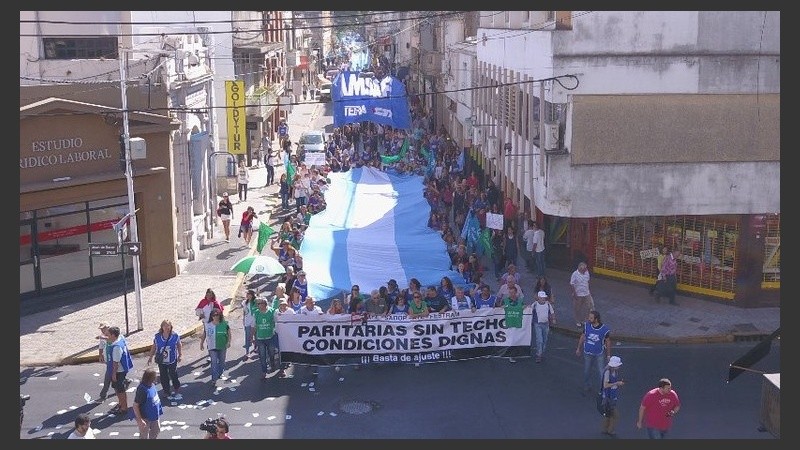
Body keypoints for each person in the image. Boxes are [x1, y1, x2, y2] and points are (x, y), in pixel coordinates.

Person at [576, 310, 611, 394]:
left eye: (591, 318)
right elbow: (583, 336)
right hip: (587, 352)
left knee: (601, 372)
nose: (589, 319)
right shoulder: (586, 326)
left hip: (599, 353)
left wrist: (608, 355)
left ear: (596, 319)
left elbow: (608, 342)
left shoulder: (604, 330)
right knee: (586, 370)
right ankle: (587, 385)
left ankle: (603, 389)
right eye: (589, 317)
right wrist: (578, 348)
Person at [146, 319, 182, 401]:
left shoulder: (175, 336)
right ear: (162, 327)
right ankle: (166, 391)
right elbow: (154, 347)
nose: (166, 327)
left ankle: (176, 388)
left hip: (172, 360)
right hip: (162, 361)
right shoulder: (157, 337)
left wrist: (180, 354)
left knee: (173, 374)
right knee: (163, 376)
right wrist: (150, 357)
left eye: (168, 325)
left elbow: (179, 344)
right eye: (165, 326)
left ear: (171, 326)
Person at [252, 294, 282, 379]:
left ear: (264, 304)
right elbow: (254, 326)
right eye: (257, 304)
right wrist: (252, 337)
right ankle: (264, 371)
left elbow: (277, 323)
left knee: (271, 354)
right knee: (262, 355)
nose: (258, 306)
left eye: (259, 304)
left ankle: (272, 364)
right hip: (260, 338)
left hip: (270, 337)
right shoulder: (256, 313)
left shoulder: (272, 312)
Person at [200, 308, 232, 384]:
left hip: (222, 346)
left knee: (222, 362)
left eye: (217, 315)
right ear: (211, 316)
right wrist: (201, 343)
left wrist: (228, 342)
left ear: (220, 315)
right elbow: (204, 334)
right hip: (212, 347)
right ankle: (214, 379)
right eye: (214, 315)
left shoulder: (225, 324)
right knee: (214, 362)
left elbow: (229, 333)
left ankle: (220, 373)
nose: (216, 316)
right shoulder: (208, 325)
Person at [132, 367, 163, 439]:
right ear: (151, 378)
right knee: (144, 436)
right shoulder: (142, 390)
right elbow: (135, 405)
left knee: (156, 431)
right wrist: (140, 420)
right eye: (155, 376)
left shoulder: (152, 385)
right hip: (145, 418)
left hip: (154, 416)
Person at [600, 356, 625, 437]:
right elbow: (605, 385)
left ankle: (605, 429)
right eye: (618, 365)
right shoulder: (608, 372)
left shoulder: (614, 371)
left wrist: (617, 384)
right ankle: (610, 430)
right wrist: (617, 383)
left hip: (612, 396)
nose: (619, 366)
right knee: (615, 415)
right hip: (608, 397)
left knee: (608, 414)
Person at [531, 291, 555, 363]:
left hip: (546, 324)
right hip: (537, 324)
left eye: (544, 297)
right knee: (540, 340)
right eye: (542, 298)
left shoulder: (548, 304)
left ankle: (541, 351)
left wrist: (553, 319)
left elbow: (552, 312)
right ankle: (539, 354)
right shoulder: (535, 304)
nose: (543, 299)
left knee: (545, 339)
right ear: (538, 298)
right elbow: (529, 310)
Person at [570, 261, 594, 328]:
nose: (585, 270)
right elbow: (572, 284)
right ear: (580, 268)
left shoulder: (587, 272)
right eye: (584, 269)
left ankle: (585, 320)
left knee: (588, 307)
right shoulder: (575, 274)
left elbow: (588, 281)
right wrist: (574, 293)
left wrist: (589, 291)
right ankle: (578, 321)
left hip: (586, 293)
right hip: (578, 294)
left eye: (586, 268)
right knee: (577, 308)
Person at [96, 322, 112, 402]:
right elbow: (101, 346)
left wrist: (102, 337)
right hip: (108, 360)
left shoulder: (113, 334)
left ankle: (103, 395)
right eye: (101, 329)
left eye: (103, 328)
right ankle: (125, 380)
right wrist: (100, 355)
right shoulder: (103, 337)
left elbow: (112, 340)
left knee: (107, 378)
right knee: (116, 375)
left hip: (113, 361)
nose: (102, 330)